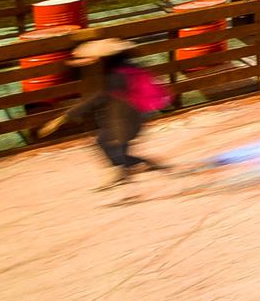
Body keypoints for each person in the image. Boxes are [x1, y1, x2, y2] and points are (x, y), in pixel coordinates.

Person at [35, 36, 169, 187]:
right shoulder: (128, 68)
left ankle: (132, 176)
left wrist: (62, 118)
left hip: (125, 118)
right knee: (109, 145)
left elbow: (98, 98)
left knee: (111, 145)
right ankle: (138, 166)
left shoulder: (116, 76)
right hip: (131, 116)